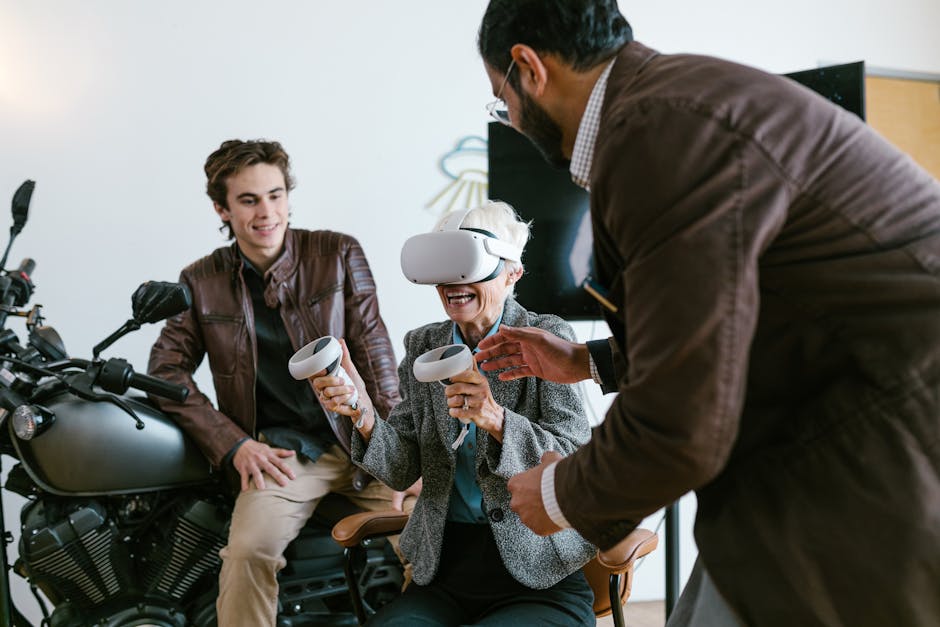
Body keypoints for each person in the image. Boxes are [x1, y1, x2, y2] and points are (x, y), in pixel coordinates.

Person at [472, 1, 940, 626]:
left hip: (881, 433)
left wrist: (559, 494)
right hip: (835, 415)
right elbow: (725, 316)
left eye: (501, 101)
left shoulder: (655, 133)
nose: (510, 119)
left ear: (529, 68)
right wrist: (589, 360)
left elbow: (679, 421)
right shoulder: (671, 104)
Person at [148, 139, 413, 626]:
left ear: (288, 197)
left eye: (275, 195)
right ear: (222, 209)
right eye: (249, 200)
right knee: (248, 553)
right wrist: (233, 444)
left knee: (430, 531)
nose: (266, 212)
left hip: (362, 438)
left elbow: (376, 356)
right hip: (283, 456)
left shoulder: (337, 252)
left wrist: (401, 451)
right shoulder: (201, 280)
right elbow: (165, 370)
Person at [316, 201, 597, 625]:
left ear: (512, 274)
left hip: (540, 573)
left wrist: (497, 420)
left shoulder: (547, 337)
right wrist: (362, 412)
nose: (453, 282)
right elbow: (402, 468)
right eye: (444, 266)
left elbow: (573, 457)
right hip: (446, 571)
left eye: (468, 265)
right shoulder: (423, 346)